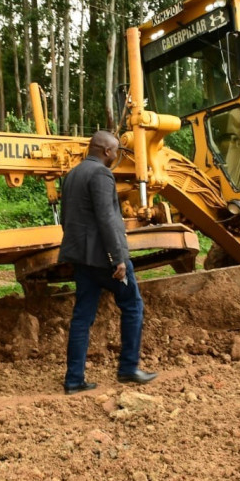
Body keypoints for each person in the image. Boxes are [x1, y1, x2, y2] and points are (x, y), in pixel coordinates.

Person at [58, 131, 158, 395]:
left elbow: (67, 218)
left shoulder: (72, 175)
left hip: (81, 258)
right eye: (115, 151)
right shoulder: (101, 175)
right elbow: (108, 219)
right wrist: (119, 258)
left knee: (82, 317)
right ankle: (128, 368)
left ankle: (74, 380)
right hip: (104, 259)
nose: (116, 156)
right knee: (133, 305)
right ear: (106, 151)